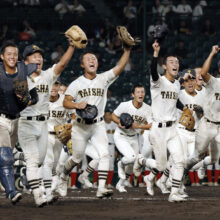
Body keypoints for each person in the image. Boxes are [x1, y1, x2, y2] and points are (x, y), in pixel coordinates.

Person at [58, 45, 132, 198]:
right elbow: (65, 102)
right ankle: (63, 176)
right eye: (88, 59)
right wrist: (76, 104)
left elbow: (119, 67)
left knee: (105, 155)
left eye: (94, 59)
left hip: (98, 125)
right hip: (80, 125)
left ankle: (102, 188)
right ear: (82, 64)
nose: (92, 61)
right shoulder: (77, 83)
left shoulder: (103, 78)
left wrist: (127, 51)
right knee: (77, 158)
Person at [18, 41, 75, 207]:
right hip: (26, 124)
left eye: (40, 56)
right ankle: (38, 195)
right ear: (26, 61)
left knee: (41, 160)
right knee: (34, 160)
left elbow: (62, 64)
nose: (39, 58)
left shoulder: (47, 75)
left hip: (43, 125)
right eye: (34, 56)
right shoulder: (20, 77)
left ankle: (21, 162)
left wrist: (71, 47)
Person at [144, 41, 188, 202]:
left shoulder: (176, 84)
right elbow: (153, 71)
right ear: (164, 66)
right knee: (162, 167)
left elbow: (174, 99)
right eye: (171, 62)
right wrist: (155, 53)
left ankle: (174, 193)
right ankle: (143, 164)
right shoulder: (157, 81)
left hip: (172, 129)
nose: (175, 64)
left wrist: (184, 108)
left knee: (180, 160)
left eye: (176, 61)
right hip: (158, 129)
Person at [0, 41, 38, 204]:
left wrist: (28, 100)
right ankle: (11, 191)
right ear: (2, 56)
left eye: (15, 54)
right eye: (8, 54)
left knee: (5, 157)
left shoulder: (24, 69)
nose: (12, 57)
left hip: (16, 120)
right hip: (0, 118)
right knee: (6, 157)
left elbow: (34, 96)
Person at [186, 45, 220, 183]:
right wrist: (212, 53)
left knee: (214, 159)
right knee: (195, 156)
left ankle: (203, 165)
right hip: (207, 124)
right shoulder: (214, 82)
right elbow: (204, 73)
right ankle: (181, 172)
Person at [112, 84, 152, 192]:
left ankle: (120, 184)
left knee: (132, 165)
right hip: (121, 135)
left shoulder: (148, 108)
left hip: (134, 137)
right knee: (131, 157)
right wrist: (119, 122)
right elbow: (113, 116)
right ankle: (120, 163)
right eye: (138, 92)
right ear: (133, 94)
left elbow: (151, 125)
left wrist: (138, 126)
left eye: (142, 92)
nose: (140, 94)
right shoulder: (124, 105)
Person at [42, 82, 71, 203]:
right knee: (47, 163)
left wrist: (70, 126)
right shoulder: (41, 98)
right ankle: (47, 192)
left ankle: (52, 185)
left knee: (55, 166)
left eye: (55, 86)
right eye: (51, 85)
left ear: (59, 88)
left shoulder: (65, 100)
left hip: (60, 137)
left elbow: (74, 115)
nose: (53, 88)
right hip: (46, 135)